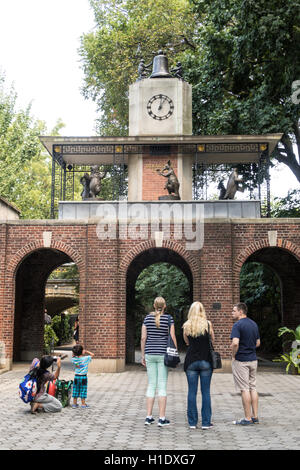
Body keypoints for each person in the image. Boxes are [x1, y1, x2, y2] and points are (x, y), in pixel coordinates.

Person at [141, 297, 178, 427]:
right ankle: (161, 418)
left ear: (153, 305)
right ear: (165, 306)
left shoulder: (147, 319)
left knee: (151, 384)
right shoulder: (168, 319)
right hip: (163, 354)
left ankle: (148, 417)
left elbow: (143, 337)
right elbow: (172, 336)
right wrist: (175, 352)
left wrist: (143, 355)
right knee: (162, 385)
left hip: (150, 353)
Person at [183, 301, 215, 430]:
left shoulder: (186, 325)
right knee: (206, 392)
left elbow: (186, 342)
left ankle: (192, 422)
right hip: (206, 361)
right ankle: (206, 423)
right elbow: (212, 340)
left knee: (192, 392)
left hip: (191, 362)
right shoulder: (207, 324)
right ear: (202, 311)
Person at [230, 302, 260, 425]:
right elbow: (258, 343)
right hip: (253, 359)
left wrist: (233, 355)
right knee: (253, 387)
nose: (232, 313)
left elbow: (235, 342)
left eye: (234, 311)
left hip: (241, 360)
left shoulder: (237, 325)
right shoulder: (253, 324)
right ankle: (255, 416)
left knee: (244, 389)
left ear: (241, 312)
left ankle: (247, 418)